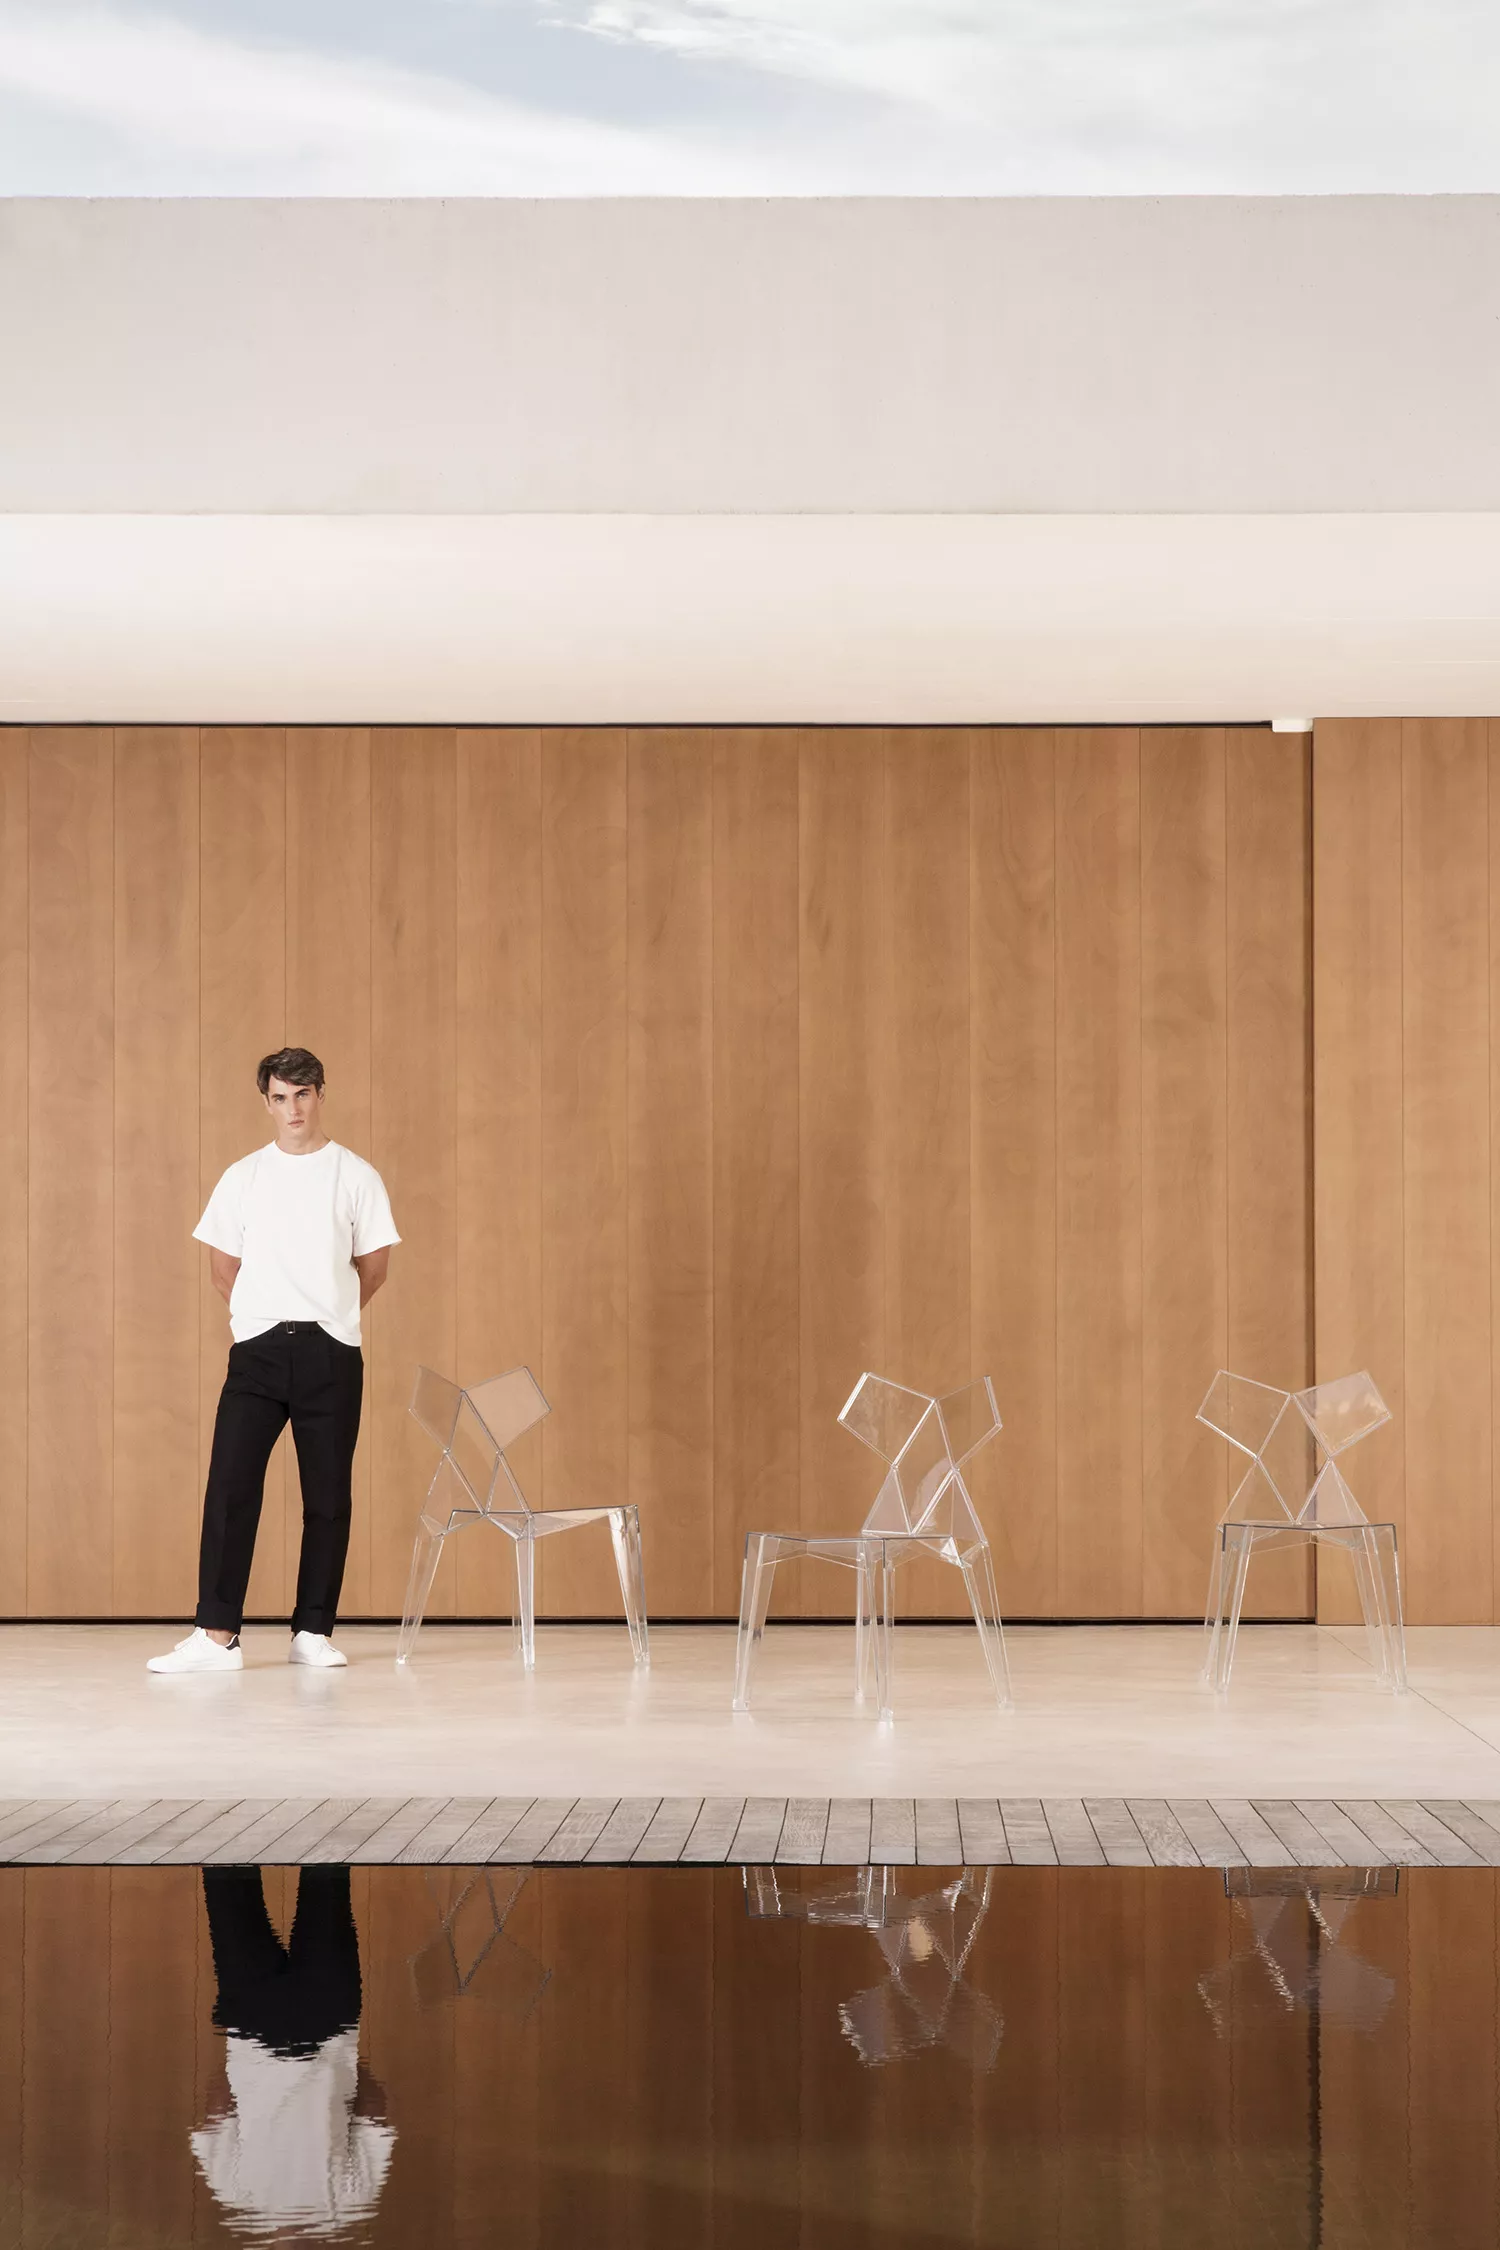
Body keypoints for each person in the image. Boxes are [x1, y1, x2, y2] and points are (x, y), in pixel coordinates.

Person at [149, 1047, 399, 1674]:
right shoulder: (244, 1176)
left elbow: (373, 1268)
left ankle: (312, 1632)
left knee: (328, 1495)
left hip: (332, 1352)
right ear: (267, 1102)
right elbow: (221, 1268)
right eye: (281, 1097)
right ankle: (217, 1636)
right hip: (257, 1353)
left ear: (321, 1095)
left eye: (303, 1094)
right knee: (231, 1487)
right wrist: (265, 1316)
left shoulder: (356, 1176)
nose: (293, 1108)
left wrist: (328, 1312)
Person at [192, 1865, 395, 2234]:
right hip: (268, 2026)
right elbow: (218, 2109)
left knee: (325, 1880)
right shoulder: (244, 2199)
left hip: (318, 2022)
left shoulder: (342, 2207)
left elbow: (374, 2109)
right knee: (230, 1882)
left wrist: (339, 2061)